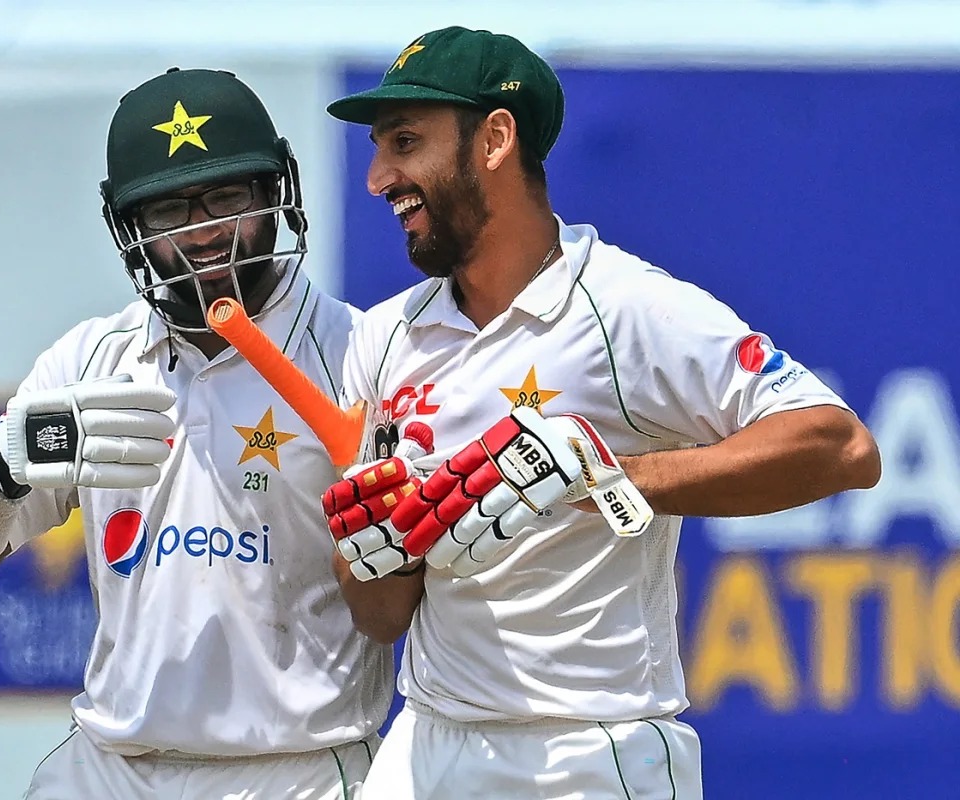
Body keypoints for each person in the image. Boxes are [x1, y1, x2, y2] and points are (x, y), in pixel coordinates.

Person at [319, 26, 882, 799]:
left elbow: (843, 446)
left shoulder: (626, 309)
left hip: (589, 754)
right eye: (380, 149)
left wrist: (601, 474)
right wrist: (373, 549)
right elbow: (383, 617)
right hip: (424, 744)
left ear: (495, 139)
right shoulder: (386, 337)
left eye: (405, 142)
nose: (379, 178)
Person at [0, 67, 393, 800]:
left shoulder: (359, 356)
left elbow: (392, 616)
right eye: (168, 209)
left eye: (227, 197)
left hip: (299, 771)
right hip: (110, 769)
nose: (203, 231)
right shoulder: (89, 362)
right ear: (130, 228)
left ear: (275, 191)